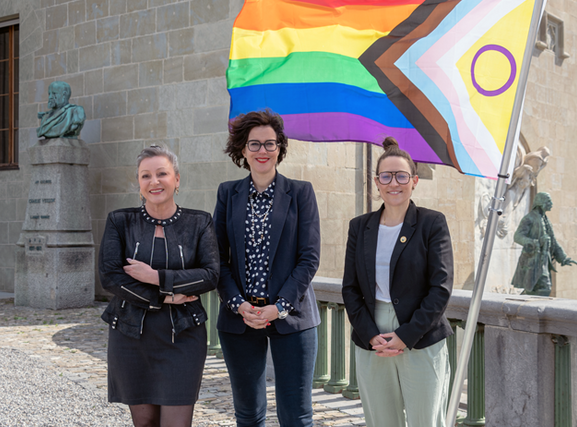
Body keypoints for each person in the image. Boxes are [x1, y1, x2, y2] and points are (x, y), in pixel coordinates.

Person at [213, 110, 321, 427]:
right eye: (255, 144)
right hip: (240, 319)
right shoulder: (227, 193)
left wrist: (280, 307)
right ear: (243, 150)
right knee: (248, 415)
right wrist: (238, 304)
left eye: (270, 144)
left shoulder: (301, 193)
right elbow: (217, 257)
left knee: (296, 416)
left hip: (293, 318)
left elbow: (309, 257)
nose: (263, 151)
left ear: (280, 148)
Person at [99, 145, 220, 427]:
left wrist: (157, 277)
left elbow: (210, 275)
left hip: (183, 336)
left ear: (177, 179)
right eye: (146, 176)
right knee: (145, 424)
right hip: (131, 335)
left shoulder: (199, 222)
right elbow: (110, 277)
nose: (154, 182)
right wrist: (162, 297)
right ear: (139, 183)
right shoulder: (120, 221)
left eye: (162, 173)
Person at [342, 137, 454, 427]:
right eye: (387, 176)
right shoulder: (360, 227)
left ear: (414, 181)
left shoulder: (432, 223)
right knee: (381, 421)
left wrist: (406, 335)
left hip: (421, 334)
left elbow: (440, 288)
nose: (394, 183)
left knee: (425, 422)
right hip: (372, 336)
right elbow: (350, 288)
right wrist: (369, 334)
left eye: (402, 175)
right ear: (376, 182)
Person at [511, 192, 577, 296]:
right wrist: (534, 242)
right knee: (543, 287)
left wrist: (563, 258)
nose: (551, 203)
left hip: (544, 260)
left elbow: (553, 242)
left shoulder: (546, 220)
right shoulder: (529, 218)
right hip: (533, 260)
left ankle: (524, 306)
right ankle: (527, 308)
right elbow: (518, 236)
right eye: (548, 201)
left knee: (536, 289)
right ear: (540, 202)